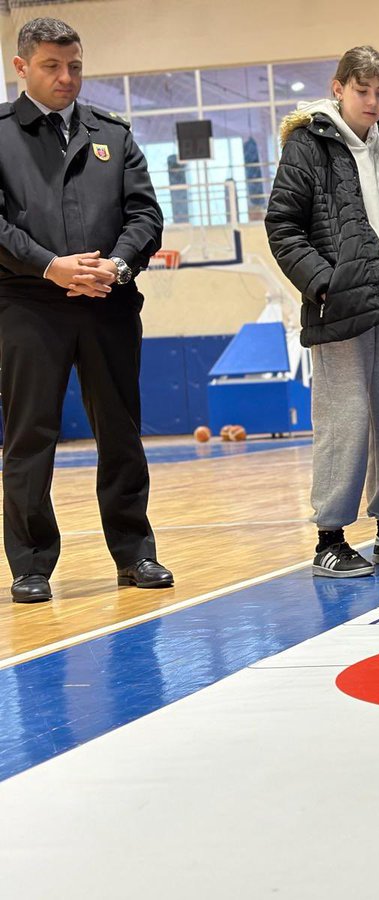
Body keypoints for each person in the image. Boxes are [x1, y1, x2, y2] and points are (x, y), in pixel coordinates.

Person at [0, 18, 170, 603]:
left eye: (74, 65)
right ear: (20, 67)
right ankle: (31, 565)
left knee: (121, 433)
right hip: (27, 307)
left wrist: (116, 267)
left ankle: (135, 555)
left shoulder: (113, 135)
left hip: (108, 302)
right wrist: (51, 265)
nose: (67, 77)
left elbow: (146, 216)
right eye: (52, 66)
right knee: (30, 438)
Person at [266, 46, 379, 578]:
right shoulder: (307, 146)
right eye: (362, 91)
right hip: (339, 312)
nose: (373, 102)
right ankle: (330, 536)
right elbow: (283, 227)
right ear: (338, 88)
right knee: (343, 422)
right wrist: (325, 287)